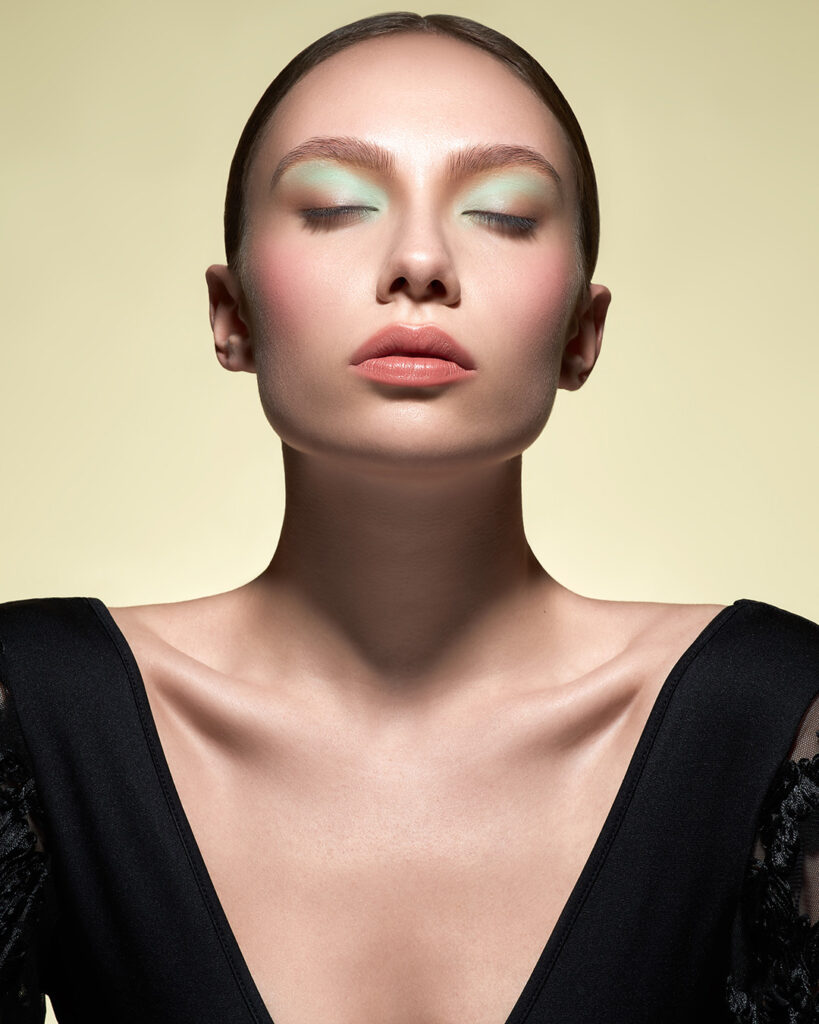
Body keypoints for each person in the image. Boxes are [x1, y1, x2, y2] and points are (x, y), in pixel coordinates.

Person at [0, 11, 817, 1023]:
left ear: (582, 332)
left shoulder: (772, 713)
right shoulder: (35, 707)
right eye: (336, 204)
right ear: (233, 316)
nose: (421, 261)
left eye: (507, 213)